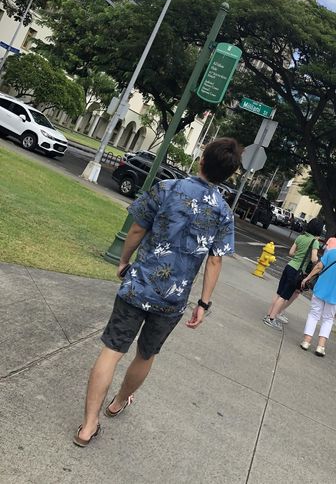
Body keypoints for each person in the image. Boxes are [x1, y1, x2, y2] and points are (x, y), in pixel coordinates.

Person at [73, 138, 242, 447]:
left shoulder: (167, 188)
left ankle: (88, 425)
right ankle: (118, 403)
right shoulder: (223, 212)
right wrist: (203, 303)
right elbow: (215, 260)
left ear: (202, 160)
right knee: (146, 353)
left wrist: (124, 260)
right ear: (228, 175)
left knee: (112, 350)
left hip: (138, 285)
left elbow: (138, 228)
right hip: (172, 299)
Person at [299, 232, 336, 356]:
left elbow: (318, 267)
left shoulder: (331, 253)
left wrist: (307, 278)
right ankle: (320, 347)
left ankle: (306, 341)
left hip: (320, 289)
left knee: (314, 314)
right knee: (328, 319)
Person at [263, 218, 323, 331]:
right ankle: (271, 319)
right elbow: (314, 258)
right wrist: (316, 262)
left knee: (279, 293)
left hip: (289, 266)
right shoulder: (314, 242)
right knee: (284, 296)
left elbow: (291, 252)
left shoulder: (301, 237)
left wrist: (299, 255)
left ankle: (268, 315)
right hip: (297, 271)